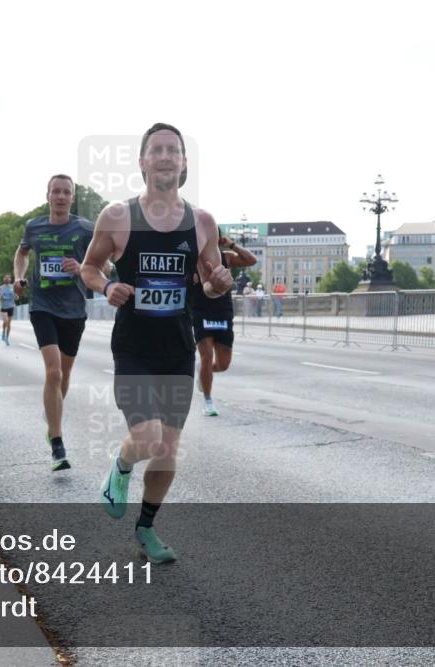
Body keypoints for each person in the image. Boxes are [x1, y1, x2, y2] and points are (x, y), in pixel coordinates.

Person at [80, 123, 233, 563]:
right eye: (157, 150)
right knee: (145, 439)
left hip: (177, 347)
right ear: (143, 161)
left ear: (184, 162)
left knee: (167, 448)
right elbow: (90, 268)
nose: (166, 156)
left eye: (174, 150)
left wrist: (219, 282)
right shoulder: (117, 217)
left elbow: (210, 285)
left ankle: (146, 528)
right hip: (132, 346)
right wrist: (106, 287)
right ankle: (121, 465)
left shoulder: (202, 222)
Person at [14, 174, 95, 471]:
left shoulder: (86, 229)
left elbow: (106, 265)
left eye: (66, 192)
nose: (61, 197)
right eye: (56, 192)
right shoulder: (34, 227)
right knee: (53, 371)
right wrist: (20, 276)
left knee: (65, 374)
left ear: (72, 198)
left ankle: (52, 415)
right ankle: (57, 444)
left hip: (74, 310)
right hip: (43, 306)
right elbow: (22, 252)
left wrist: (83, 267)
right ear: (47, 195)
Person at [191, 236, 257, 416]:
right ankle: (208, 401)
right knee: (206, 356)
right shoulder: (193, 257)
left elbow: (251, 260)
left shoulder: (225, 257)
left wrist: (232, 244)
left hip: (223, 312)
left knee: (223, 364)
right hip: (201, 311)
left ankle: (203, 371)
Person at [0, 274, 15, 346]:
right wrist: (0, 297)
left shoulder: (13, 287)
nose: (7, 279)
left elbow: (16, 296)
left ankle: (6, 338)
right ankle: (3, 332)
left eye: (8, 278)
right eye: (5, 278)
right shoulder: (1, 288)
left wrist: (16, 296)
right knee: (6, 321)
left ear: (10, 279)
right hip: (4, 307)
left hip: (11, 306)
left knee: (9, 323)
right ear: (4, 279)